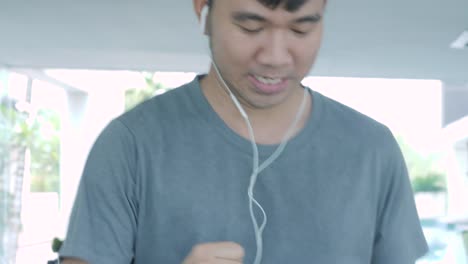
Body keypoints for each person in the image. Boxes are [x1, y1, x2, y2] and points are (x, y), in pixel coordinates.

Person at [59, 0, 429, 263]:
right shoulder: (131, 144)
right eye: (250, 26)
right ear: (203, 10)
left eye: (303, 26)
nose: (276, 56)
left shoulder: (372, 149)